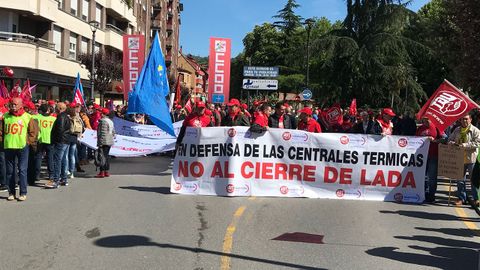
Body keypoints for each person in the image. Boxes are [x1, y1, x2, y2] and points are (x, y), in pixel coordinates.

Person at [3, 97, 39, 201]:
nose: (13, 106)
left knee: (22, 170)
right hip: (9, 146)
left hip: (22, 147)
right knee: (10, 171)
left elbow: (33, 132)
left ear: (21, 105)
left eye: (15, 104)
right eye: (12, 104)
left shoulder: (27, 116)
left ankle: (23, 193)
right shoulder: (5, 116)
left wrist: (28, 142)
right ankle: (11, 193)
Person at [448, 113, 480, 205]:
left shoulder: (475, 130)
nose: (464, 121)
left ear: (470, 120)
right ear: (460, 120)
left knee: (474, 180)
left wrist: (465, 145)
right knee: (460, 180)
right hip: (459, 158)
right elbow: (450, 139)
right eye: (462, 119)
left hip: (471, 159)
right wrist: (451, 142)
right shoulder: (457, 130)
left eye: (466, 119)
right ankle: (462, 198)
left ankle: (476, 199)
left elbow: (477, 143)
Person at [416, 116, 444, 203]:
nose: (425, 120)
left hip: (433, 155)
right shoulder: (420, 128)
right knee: (422, 175)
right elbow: (414, 139)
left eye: (427, 118)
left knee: (432, 176)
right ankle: (423, 193)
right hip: (422, 156)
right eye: (424, 119)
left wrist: (435, 140)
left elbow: (444, 139)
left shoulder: (437, 127)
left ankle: (431, 195)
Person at [45, 102, 70, 189]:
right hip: (65, 140)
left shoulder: (61, 117)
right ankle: (63, 179)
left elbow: (60, 129)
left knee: (57, 160)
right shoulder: (65, 116)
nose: (55, 108)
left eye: (56, 107)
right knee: (62, 160)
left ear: (59, 108)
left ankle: (56, 180)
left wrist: (55, 140)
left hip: (61, 141)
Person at [34, 104, 56, 183]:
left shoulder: (38, 117)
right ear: (48, 110)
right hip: (50, 140)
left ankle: (37, 175)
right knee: (50, 158)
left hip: (40, 139)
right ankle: (51, 175)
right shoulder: (53, 119)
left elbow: (31, 117)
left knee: (38, 157)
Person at [96, 108, 115, 178]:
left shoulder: (103, 121)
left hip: (104, 141)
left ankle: (102, 172)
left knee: (102, 156)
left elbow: (103, 133)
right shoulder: (110, 121)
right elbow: (113, 132)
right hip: (109, 141)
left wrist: (100, 142)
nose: (100, 114)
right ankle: (106, 171)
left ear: (104, 114)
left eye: (101, 113)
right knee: (106, 156)